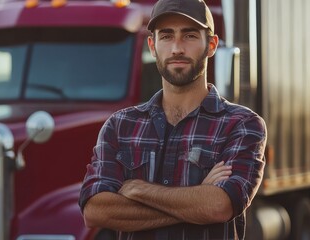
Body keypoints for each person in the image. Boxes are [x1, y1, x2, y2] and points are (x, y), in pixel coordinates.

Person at [78, 0, 267, 239]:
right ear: (152, 46)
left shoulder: (241, 124)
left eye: (189, 36)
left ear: (211, 45)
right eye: (166, 36)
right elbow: (95, 211)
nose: (177, 48)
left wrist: (137, 189)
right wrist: (197, 199)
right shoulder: (120, 126)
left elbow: (219, 206)